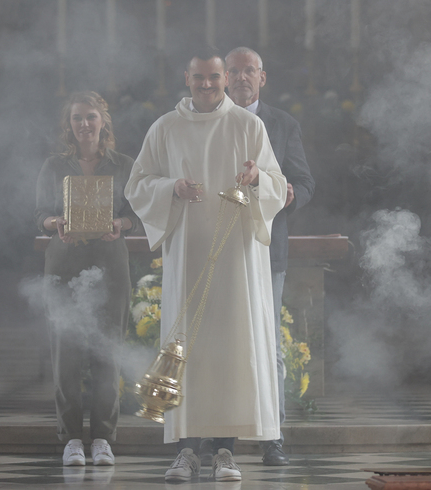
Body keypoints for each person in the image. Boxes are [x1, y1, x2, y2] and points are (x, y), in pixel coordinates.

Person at [125, 50, 287, 482]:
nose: (207, 84)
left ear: (224, 79)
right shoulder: (166, 127)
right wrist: (171, 187)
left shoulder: (248, 125)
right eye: (200, 77)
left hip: (236, 255)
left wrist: (257, 177)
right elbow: (137, 185)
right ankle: (186, 452)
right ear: (187, 78)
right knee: (188, 348)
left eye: (214, 77)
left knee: (230, 349)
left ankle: (225, 452)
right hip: (187, 254)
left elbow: (277, 182)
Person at [34, 91, 139, 468]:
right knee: (66, 356)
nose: (84, 124)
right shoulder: (54, 166)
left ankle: (104, 439)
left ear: (103, 121)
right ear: (69, 124)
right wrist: (55, 222)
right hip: (64, 265)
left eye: (91, 117)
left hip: (110, 265)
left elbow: (138, 214)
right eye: (77, 118)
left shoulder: (124, 165)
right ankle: (72, 440)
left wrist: (120, 223)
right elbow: (39, 215)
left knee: (108, 354)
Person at [225, 46, 315, 466]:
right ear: (224, 78)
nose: (242, 77)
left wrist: (292, 196)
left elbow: (304, 181)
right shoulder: (211, 121)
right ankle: (219, 438)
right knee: (222, 342)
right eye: (235, 71)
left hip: (266, 248)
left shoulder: (282, 124)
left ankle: (272, 437)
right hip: (220, 247)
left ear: (263, 77)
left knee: (268, 344)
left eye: (250, 71)